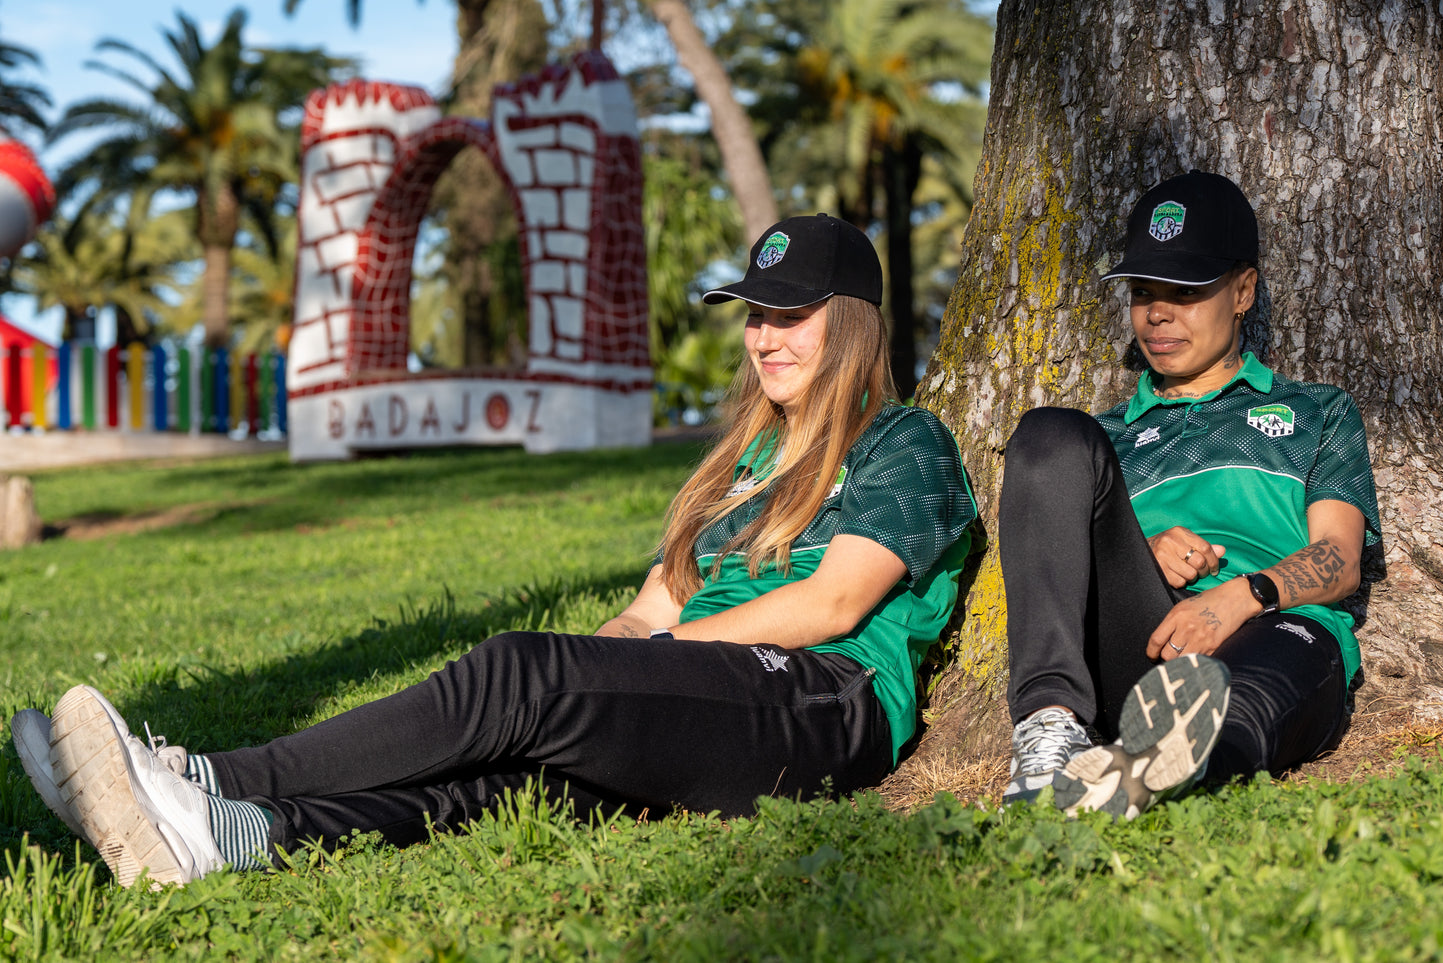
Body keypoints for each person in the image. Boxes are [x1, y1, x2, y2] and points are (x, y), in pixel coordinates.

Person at [13, 213, 977, 888]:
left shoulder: (904, 440)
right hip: (726, 684)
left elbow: (835, 603)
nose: (764, 338)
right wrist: (622, 652)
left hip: (827, 698)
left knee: (524, 671)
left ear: (848, 322)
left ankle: (208, 779)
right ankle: (227, 837)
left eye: (789, 315)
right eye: (755, 316)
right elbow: (653, 606)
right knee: (521, 766)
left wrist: (653, 657)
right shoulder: (744, 460)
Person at [999, 170, 1380, 819]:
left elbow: (1338, 559)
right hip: (1143, 642)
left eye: (1185, 290)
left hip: (1276, 626)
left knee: (1240, 705)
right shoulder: (1103, 438)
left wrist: (1240, 595)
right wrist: (1140, 554)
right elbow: (1067, 571)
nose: (1156, 313)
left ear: (1242, 290)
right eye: (1143, 292)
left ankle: (1160, 778)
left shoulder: (1314, 411)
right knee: (1047, 430)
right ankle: (1047, 739)